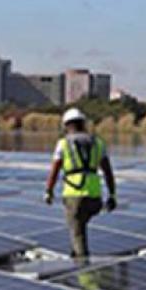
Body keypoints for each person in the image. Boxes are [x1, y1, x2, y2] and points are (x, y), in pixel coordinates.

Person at [44, 108, 117, 262]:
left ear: (66, 125)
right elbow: (108, 171)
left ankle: (85, 277)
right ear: (83, 124)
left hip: (74, 196)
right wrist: (112, 195)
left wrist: (48, 191)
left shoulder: (63, 144)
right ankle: (75, 258)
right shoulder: (98, 143)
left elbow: (55, 170)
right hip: (95, 197)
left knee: (77, 233)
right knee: (79, 229)